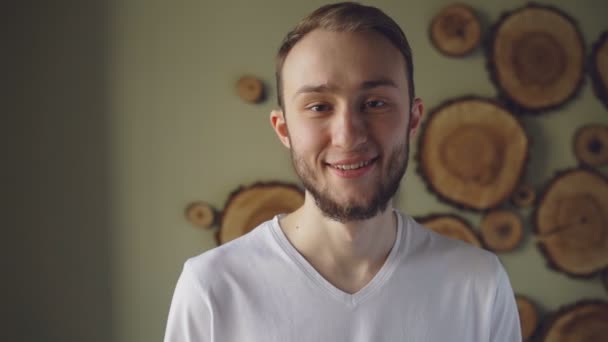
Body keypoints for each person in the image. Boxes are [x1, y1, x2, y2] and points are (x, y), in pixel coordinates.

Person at [164, 2, 521, 341]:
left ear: (413, 118)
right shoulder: (212, 288)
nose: (348, 135)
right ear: (283, 129)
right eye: (319, 106)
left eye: (375, 104)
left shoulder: (478, 285)